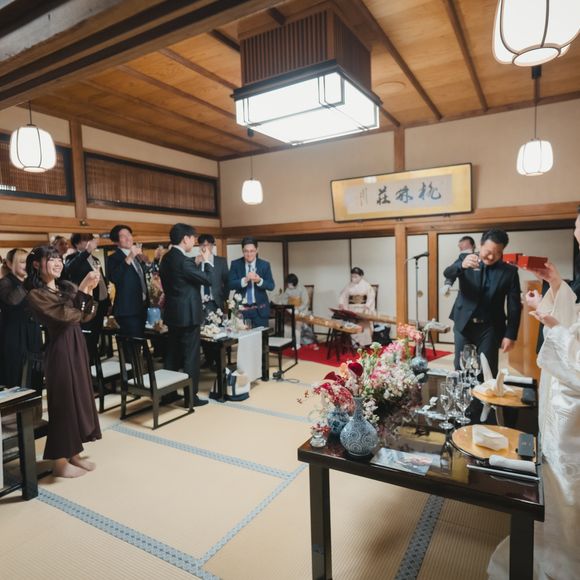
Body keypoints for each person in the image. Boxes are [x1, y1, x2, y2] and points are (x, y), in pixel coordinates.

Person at [488, 213, 580, 579]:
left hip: (573, 397)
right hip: (562, 390)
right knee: (554, 478)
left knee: (569, 483)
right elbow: (573, 317)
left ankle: (566, 556)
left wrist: (553, 327)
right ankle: (551, 540)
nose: (575, 229)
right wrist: (555, 285)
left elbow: (571, 336)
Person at [25, 245, 101, 478]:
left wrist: (86, 290)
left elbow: (87, 314)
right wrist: (83, 289)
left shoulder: (65, 288)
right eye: (51, 259)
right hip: (59, 349)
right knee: (64, 402)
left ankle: (74, 454)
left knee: (79, 398)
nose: (58, 263)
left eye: (59, 259)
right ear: (37, 264)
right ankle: (59, 462)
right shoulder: (36, 295)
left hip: (77, 345)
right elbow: (65, 316)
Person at [443, 228, 521, 378]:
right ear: (480, 245)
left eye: (497, 253)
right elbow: (448, 273)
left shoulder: (510, 272)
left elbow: (514, 306)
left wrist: (510, 335)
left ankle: (485, 394)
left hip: (490, 327)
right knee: (461, 369)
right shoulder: (465, 259)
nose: (491, 257)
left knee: (487, 371)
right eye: (488, 251)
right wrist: (461, 265)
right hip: (463, 324)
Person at [159, 223, 213, 407]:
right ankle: (191, 397)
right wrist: (206, 261)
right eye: (193, 238)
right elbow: (207, 279)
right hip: (188, 316)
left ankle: (168, 394)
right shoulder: (183, 261)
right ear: (185, 239)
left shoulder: (166, 258)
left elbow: (183, 274)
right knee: (191, 357)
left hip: (173, 314)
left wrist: (196, 261)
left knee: (172, 355)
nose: (194, 242)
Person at [0, 248, 42, 388]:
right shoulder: (5, 282)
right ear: (10, 264)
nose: (27, 266)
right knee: (17, 375)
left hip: (33, 331)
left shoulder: (32, 282)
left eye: (28, 262)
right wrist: (28, 284)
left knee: (35, 372)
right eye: (23, 262)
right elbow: (12, 300)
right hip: (15, 334)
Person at [65, 233, 110, 354]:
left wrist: (107, 302)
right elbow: (69, 269)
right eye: (85, 240)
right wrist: (86, 252)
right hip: (85, 303)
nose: (89, 242)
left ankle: (94, 360)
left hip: (99, 302)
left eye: (90, 239)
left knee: (96, 335)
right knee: (86, 336)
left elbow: (102, 282)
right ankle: (86, 361)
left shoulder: (95, 259)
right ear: (77, 243)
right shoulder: (72, 257)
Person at [106, 224, 149, 339]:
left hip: (141, 307)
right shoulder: (113, 258)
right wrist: (130, 257)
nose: (128, 238)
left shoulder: (137, 258)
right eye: (123, 236)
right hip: (127, 310)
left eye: (129, 235)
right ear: (116, 241)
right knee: (131, 344)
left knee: (140, 342)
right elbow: (114, 278)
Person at [229, 237, 275, 329]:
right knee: (242, 337)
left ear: (257, 250)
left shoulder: (264, 265)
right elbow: (230, 284)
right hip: (241, 310)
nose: (249, 254)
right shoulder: (235, 264)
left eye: (252, 251)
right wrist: (244, 280)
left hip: (260, 310)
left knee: (261, 337)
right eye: (246, 251)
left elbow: (271, 285)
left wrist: (259, 281)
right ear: (242, 250)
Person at [338, 267, 376, 347]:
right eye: (352, 276)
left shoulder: (366, 285)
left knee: (363, 324)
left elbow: (371, 296)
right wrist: (341, 303)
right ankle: (354, 342)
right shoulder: (349, 285)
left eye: (356, 276)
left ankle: (363, 343)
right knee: (352, 323)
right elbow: (343, 295)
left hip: (363, 308)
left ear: (361, 276)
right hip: (352, 308)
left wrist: (367, 306)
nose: (353, 278)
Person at [273, 273, 311, 347]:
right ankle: (287, 342)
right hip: (291, 310)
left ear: (294, 283)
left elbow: (305, 302)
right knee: (286, 323)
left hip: (302, 310)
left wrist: (297, 309)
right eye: (287, 284)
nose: (288, 285)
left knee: (297, 323)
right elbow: (284, 301)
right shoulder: (287, 290)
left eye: (289, 284)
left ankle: (297, 343)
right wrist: (284, 305)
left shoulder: (302, 289)